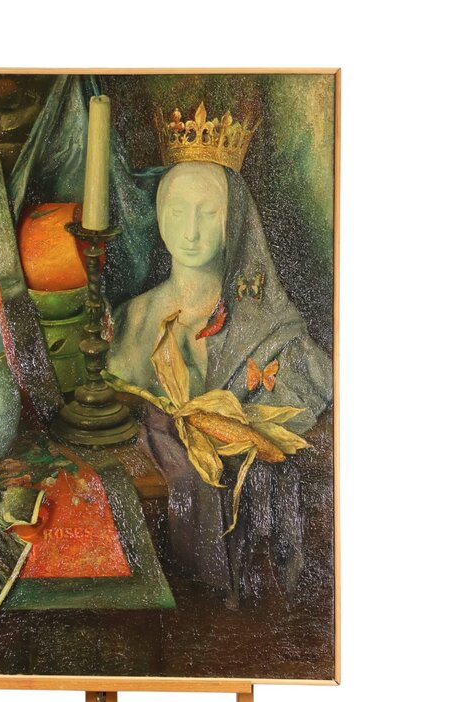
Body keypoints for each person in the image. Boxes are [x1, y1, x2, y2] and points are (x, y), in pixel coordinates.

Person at [107, 159, 333, 602]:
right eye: (177, 211)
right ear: (159, 214)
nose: (190, 230)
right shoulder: (132, 320)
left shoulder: (272, 329)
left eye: (208, 213)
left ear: (235, 223)